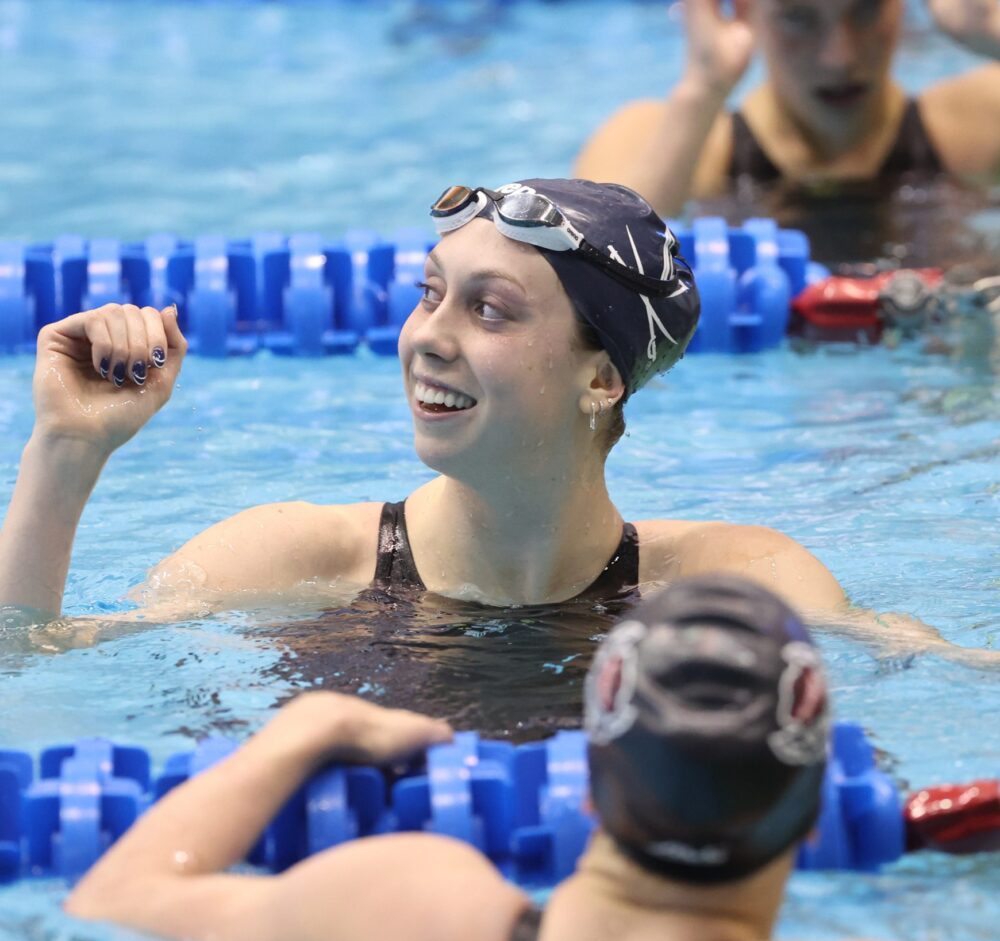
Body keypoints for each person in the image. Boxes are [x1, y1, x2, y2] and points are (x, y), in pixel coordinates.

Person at [0, 179, 850, 624]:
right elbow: (30, 671)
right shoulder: (291, 561)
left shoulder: (733, 582)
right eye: (429, 294)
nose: (426, 338)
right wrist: (64, 456)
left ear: (602, 377)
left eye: (489, 309)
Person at [64, 575, 944, 941]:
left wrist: (303, 732)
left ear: (588, 779)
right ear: (816, 804)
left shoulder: (406, 910)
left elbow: (113, 902)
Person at [576, 0, 1000, 261]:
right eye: (798, 17)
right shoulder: (670, 137)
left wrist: (992, 35)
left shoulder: (976, 123)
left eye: (866, 7)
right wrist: (702, 92)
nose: (839, 57)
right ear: (745, 10)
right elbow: (583, 278)